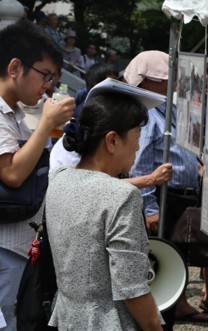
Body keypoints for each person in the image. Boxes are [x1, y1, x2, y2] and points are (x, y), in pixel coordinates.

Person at [46, 92, 163, 330]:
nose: (138, 146)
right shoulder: (121, 195)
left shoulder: (57, 179)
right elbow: (131, 288)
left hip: (68, 317)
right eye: (136, 136)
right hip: (109, 321)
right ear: (112, 141)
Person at [126, 51, 208, 327]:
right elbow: (141, 166)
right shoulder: (148, 113)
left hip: (179, 198)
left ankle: (169, 319)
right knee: (161, 270)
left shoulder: (170, 108)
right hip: (163, 199)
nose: (172, 82)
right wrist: (150, 209)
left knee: (175, 266)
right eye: (165, 77)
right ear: (148, 81)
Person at [0, 20, 74, 331]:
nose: (50, 87)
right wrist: (46, 124)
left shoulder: (13, 111)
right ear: (15, 67)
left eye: (54, 79)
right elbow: (12, 174)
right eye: (46, 75)